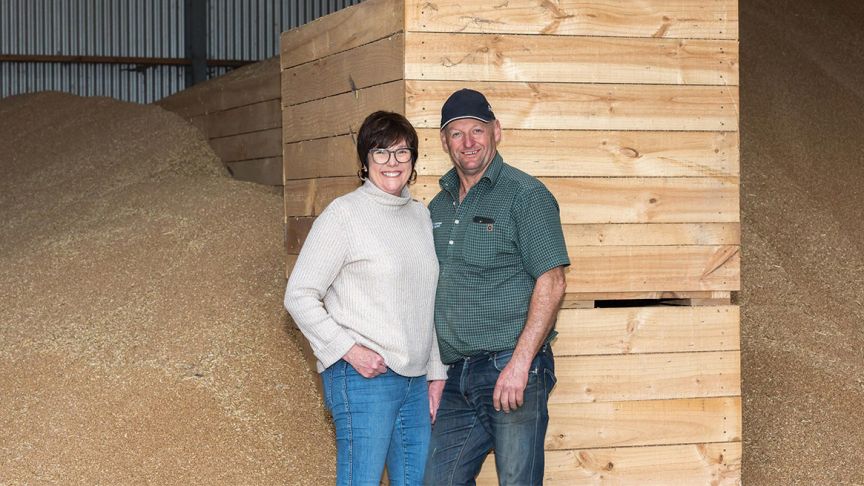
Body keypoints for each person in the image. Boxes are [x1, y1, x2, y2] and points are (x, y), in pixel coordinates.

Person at [284, 111, 448, 486]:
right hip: (363, 376)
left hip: (415, 379)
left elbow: (428, 301)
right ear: (365, 160)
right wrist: (349, 350)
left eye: (402, 152)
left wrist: (436, 373)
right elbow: (299, 294)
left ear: (413, 160)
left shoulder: (421, 217)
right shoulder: (343, 215)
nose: (392, 162)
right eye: (381, 152)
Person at [424, 89, 570, 486]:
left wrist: (520, 365)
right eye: (456, 133)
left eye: (477, 130)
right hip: (459, 375)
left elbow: (552, 281)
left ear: (497, 132)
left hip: (511, 366)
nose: (468, 142)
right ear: (444, 142)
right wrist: (435, 374)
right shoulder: (437, 208)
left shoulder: (526, 196)